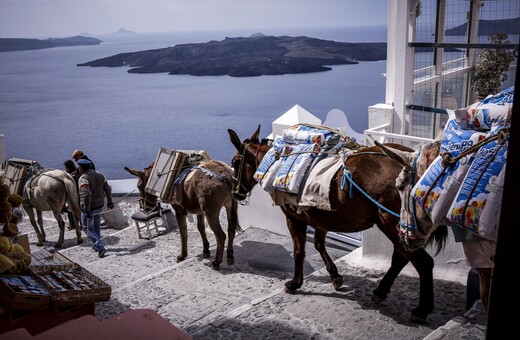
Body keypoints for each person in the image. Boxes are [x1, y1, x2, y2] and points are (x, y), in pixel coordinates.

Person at [77, 158, 114, 258]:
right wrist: (110, 202)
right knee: (96, 226)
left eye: (79, 167)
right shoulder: (101, 175)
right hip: (100, 206)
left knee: (87, 228)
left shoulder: (83, 178)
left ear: (82, 168)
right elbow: (107, 189)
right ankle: (96, 245)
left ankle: (100, 247)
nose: (78, 168)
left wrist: (86, 210)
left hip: (90, 208)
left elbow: (86, 195)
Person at [62, 159, 81, 230]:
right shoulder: (67, 173)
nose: (65, 169)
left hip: (76, 194)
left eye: (66, 167)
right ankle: (72, 223)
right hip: (70, 194)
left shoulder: (76, 173)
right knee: (69, 210)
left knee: (77, 209)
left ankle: (80, 223)